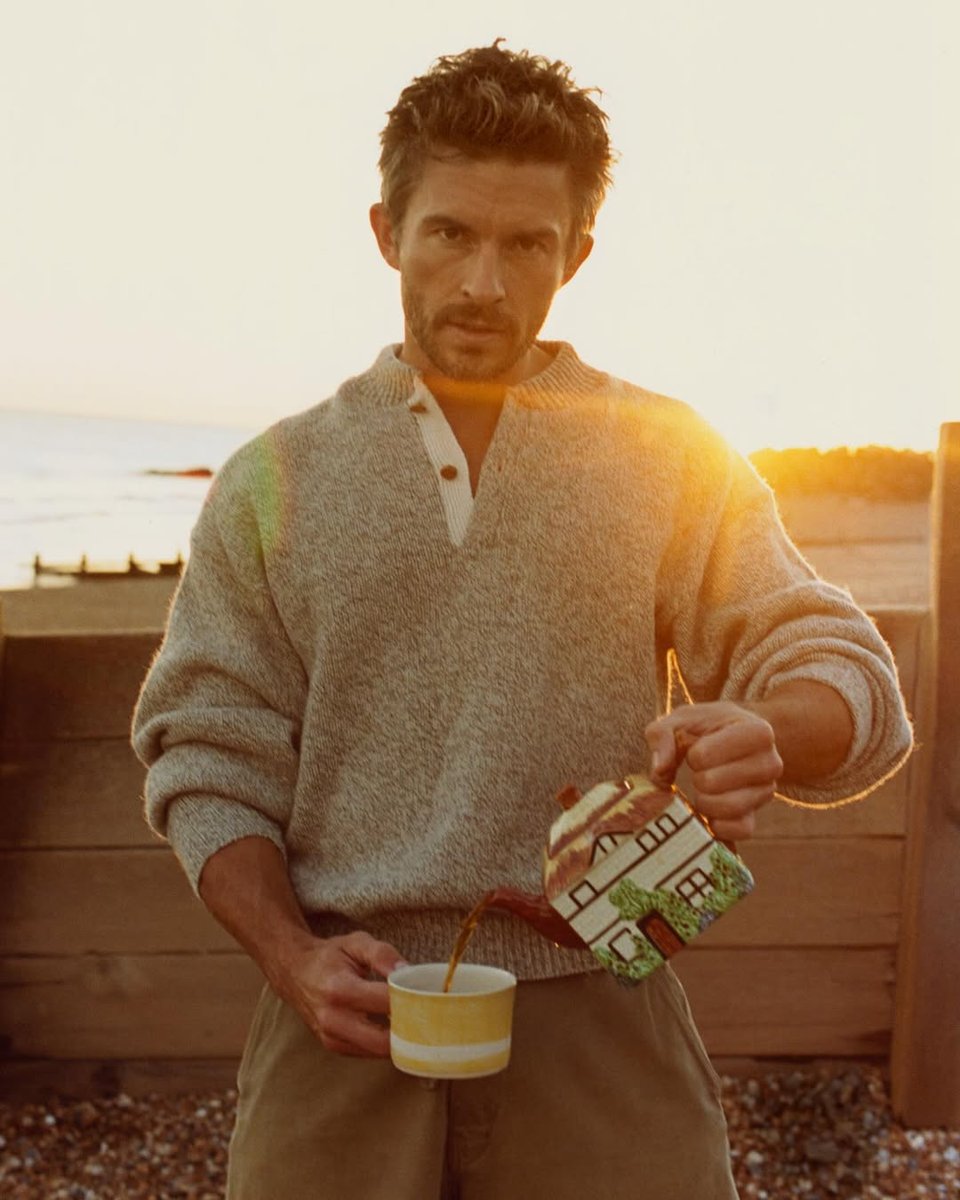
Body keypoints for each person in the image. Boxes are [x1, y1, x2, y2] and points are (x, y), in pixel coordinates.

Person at [132, 41, 912, 1199]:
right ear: (386, 231)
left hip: (609, 1000)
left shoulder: (668, 454)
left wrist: (766, 729)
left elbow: (838, 663)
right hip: (341, 1018)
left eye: (526, 243)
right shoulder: (270, 477)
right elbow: (205, 752)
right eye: (450, 232)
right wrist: (292, 959)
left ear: (578, 253)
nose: (483, 283)